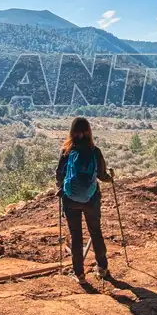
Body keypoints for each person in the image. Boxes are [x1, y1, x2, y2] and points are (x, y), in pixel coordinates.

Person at [56, 116, 113, 283]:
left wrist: (61, 187)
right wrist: (111, 178)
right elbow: (102, 176)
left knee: (76, 235)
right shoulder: (95, 151)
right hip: (91, 199)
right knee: (95, 232)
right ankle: (102, 268)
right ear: (89, 131)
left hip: (70, 200)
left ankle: (79, 274)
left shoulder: (67, 151)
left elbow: (59, 174)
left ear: (72, 132)